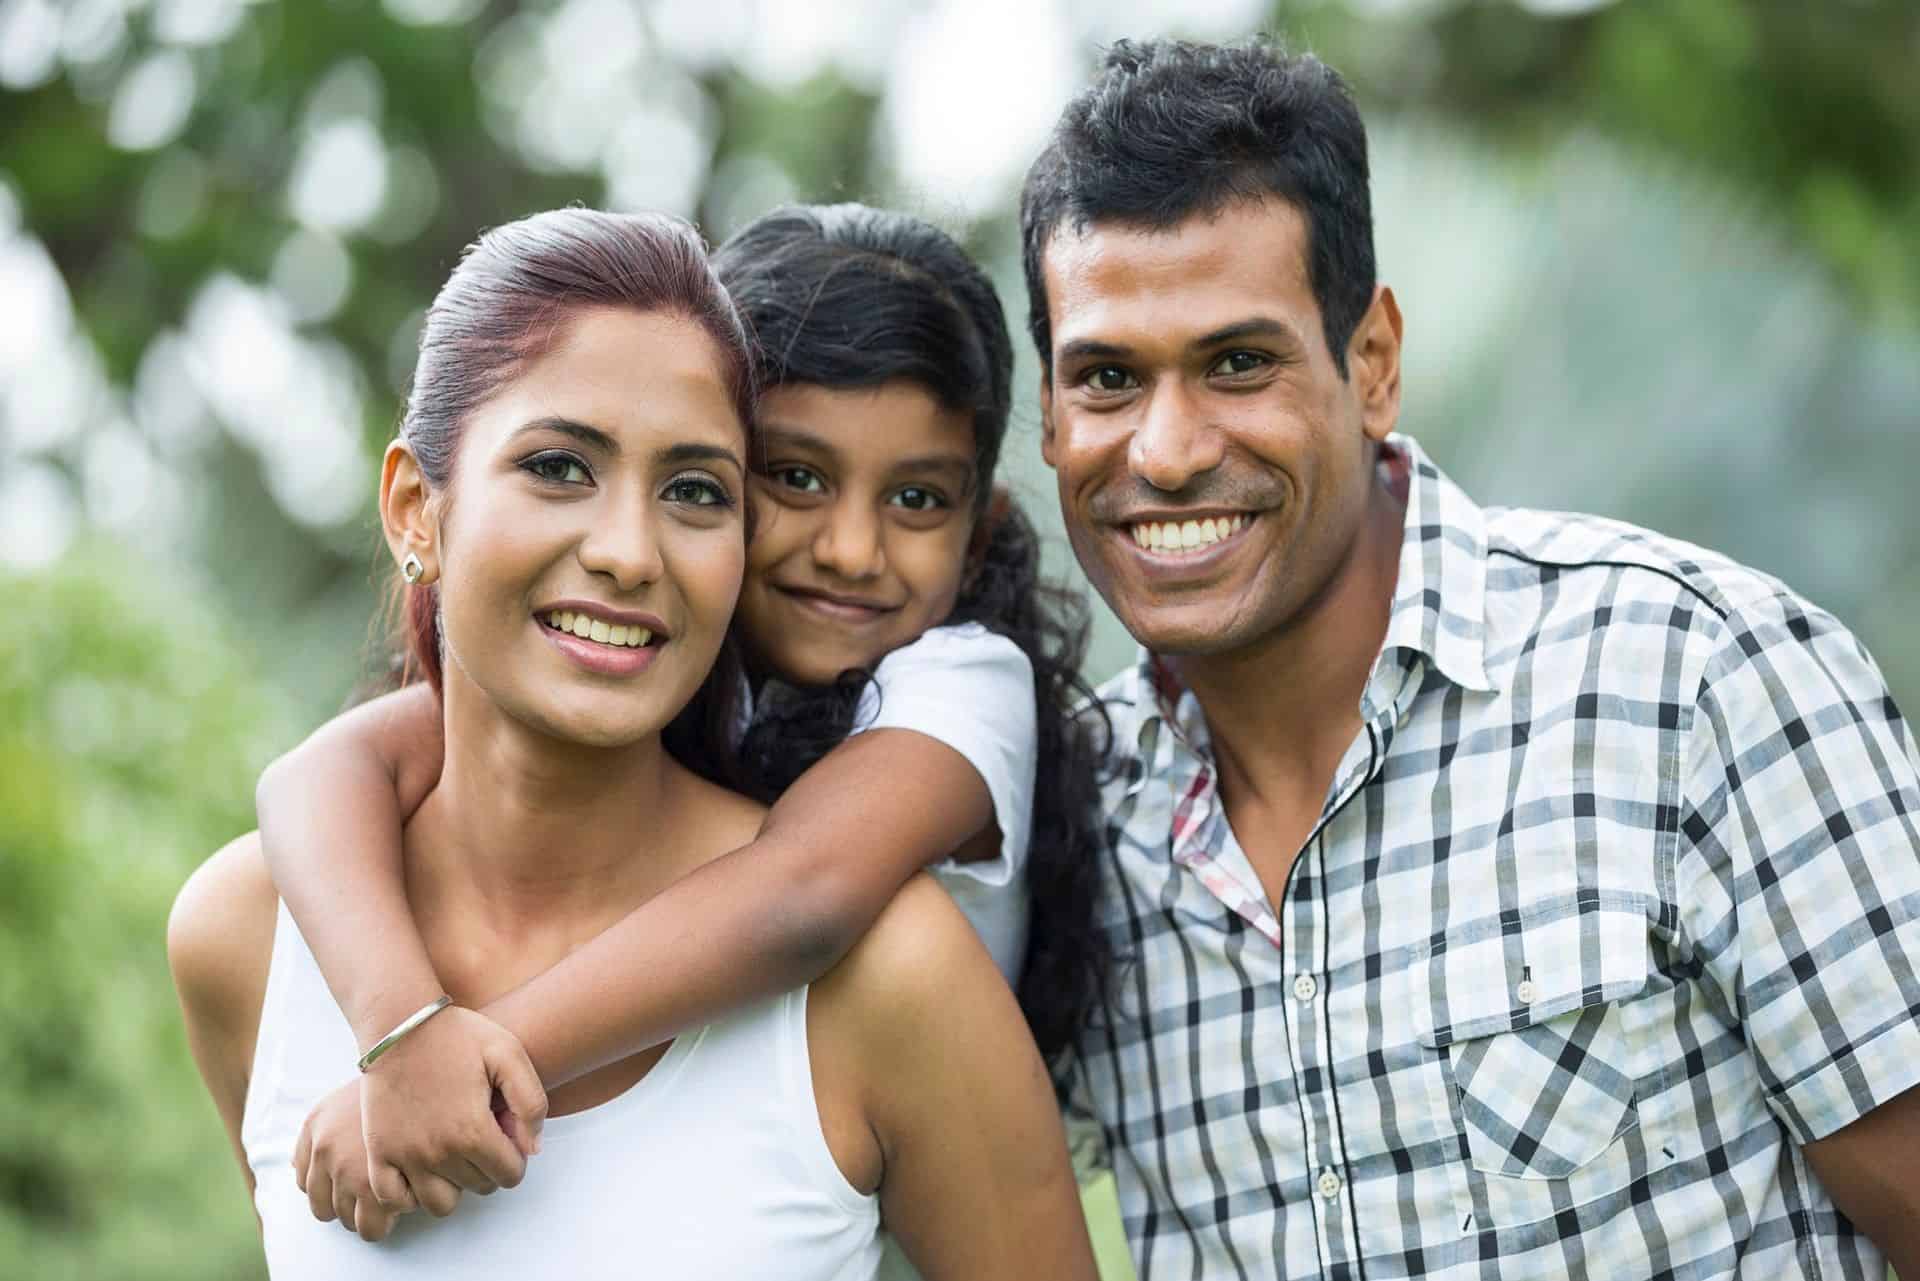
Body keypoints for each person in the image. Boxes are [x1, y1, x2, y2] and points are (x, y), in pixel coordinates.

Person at [1018, 35, 1920, 1280]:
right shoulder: (1074, 825)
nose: (1166, 452)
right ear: (1053, 420)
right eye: (1108, 378)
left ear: (1373, 362)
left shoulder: (1688, 684)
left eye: (1238, 363)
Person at [167, 206, 1097, 1279]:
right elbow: (323, 767)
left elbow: (802, 892)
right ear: (416, 508)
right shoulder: (248, 936)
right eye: (560, 465)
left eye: (694, 489)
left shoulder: (910, 871)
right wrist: (404, 1024)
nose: (626, 551)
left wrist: (467, 1060)